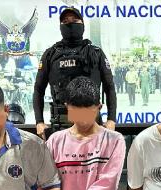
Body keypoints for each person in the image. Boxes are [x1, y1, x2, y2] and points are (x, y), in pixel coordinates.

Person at [32, 7, 116, 138]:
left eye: (74, 20)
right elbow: (38, 89)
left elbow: (109, 87)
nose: (70, 23)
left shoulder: (95, 53)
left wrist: (111, 119)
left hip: (92, 124)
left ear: (82, 24)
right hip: (60, 124)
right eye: (65, 21)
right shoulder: (50, 54)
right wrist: (39, 122)